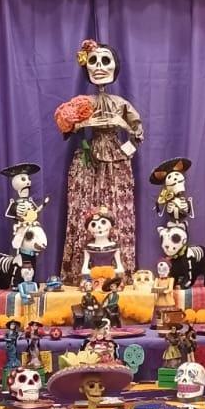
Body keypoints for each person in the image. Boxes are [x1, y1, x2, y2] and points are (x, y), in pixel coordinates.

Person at [57, 40, 143, 283]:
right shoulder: (83, 101)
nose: (98, 67)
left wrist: (124, 139)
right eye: (93, 61)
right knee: (83, 209)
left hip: (117, 164)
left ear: (115, 66)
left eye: (105, 61)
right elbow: (66, 129)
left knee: (118, 211)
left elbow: (138, 134)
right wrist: (84, 124)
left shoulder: (121, 104)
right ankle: (80, 274)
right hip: (87, 162)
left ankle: (119, 273)